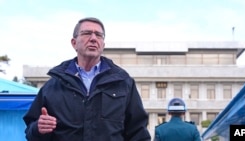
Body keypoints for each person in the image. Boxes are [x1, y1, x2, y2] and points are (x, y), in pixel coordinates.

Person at [23, 17, 151, 141]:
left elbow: (138, 132)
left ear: (103, 44)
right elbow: (30, 132)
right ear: (74, 43)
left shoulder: (123, 83)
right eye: (87, 33)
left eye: (99, 35)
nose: (93, 38)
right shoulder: (53, 86)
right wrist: (37, 129)